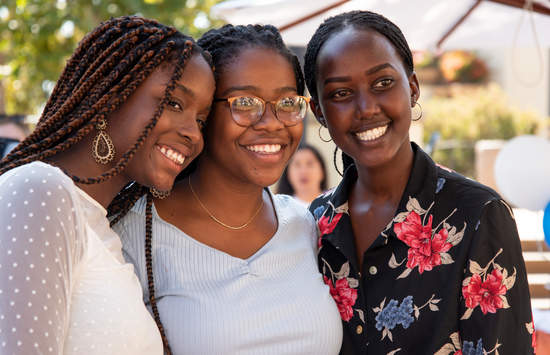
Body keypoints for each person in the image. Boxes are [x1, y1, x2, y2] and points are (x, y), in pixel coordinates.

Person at [304, 10, 535, 355]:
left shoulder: (477, 215)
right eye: (341, 93)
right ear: (319, 112)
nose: (366, 108)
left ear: (412, 88)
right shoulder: (315, 223)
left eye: (383, 83)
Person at [113, 24, 342, 355]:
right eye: (246, 102)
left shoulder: (303, 224)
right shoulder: (133, 234)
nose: (272, 122)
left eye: (287, 102)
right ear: (203, 112)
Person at [0, 16, 215, 355]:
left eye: (201, 120)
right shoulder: (39, 190)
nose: (194, 134)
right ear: (109, 96)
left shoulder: (102, 228)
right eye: (174, 103)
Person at [277, 143, 328, 207]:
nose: (303, 171)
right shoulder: (278, 208)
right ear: (287, 173)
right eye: (297, 164)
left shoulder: (334, 204)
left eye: (309, 164)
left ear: (322, 171)